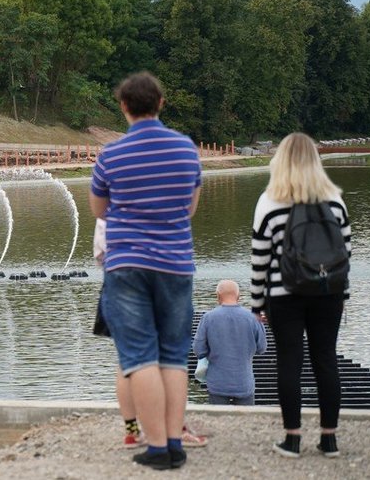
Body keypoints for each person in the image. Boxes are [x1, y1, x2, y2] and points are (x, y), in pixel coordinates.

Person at [89, 71, 202, 470]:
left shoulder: (110, 155)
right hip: (175, 263)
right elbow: (189, 208)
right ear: (161, 103)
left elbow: (99, 211)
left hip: (127, 266)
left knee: (139, 357)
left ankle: (155, 448)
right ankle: (174, 443)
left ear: (123, 107)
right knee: (173, 355)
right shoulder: (187, 149)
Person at [250, 132, 350, 458]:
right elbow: (345, 254)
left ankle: (292, 439)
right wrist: (339, 292)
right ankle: (329, 439)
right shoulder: (335, 201)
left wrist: (256, 303)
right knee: (326, 360)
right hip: (328, 293)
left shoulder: (269, 201)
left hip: (285, 294)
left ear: (281, 160)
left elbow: (260, 259)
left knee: (289, 362)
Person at [94, 218, 208, 450]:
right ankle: (175, 429)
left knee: (128, 358)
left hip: (120, 276)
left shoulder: (113, 197)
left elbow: (100, 251)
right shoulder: (162, 193)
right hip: (165, 272)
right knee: (169, 356)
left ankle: (132, 431)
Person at [193, 280, 267, 405]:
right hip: (244, 382)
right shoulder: (253, 318)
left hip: (217, 384)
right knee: (245, 422)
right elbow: (262, 348)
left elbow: (198, 349)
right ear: (239, 296)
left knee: (217, 421)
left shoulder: (208, 318)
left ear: (218, 295)